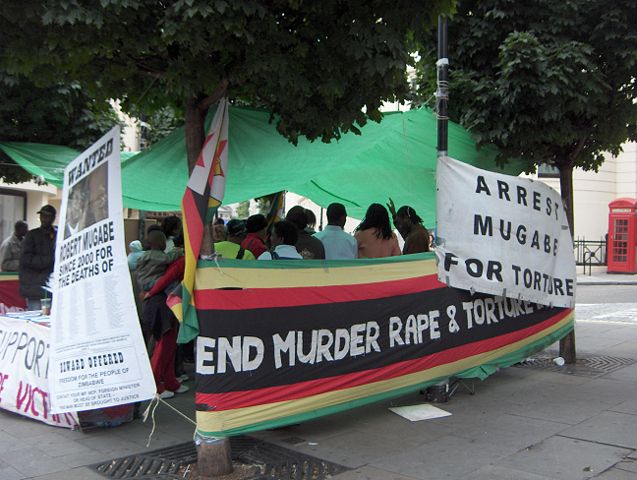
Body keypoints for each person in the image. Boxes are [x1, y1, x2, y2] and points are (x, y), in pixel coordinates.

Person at [143, 235, 188, 399]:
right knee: (165, 344)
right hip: (163, 304)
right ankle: (154, 386)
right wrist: (151, 292)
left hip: (169, 303)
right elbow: (167, 278)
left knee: (170, 345)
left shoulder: (185, 259)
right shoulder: (184, 260)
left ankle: (170, 382)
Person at [19, 205, 57, 310]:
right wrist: (49, 260)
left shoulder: (57, 234)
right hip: (35, 286)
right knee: (35, 319)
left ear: (53, 218)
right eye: (42, 216)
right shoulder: (31, 235)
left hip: (51, 285)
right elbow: (26, 259)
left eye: (47, 216)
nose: (44, 219)